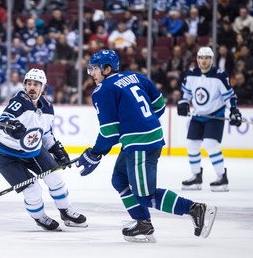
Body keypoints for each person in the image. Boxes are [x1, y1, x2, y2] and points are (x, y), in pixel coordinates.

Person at [75, 49, 216, 243]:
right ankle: (143, 223)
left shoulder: (103, 90)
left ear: (107, 69)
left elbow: (110, 132)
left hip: (140, 144)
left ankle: (195, 209)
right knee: (120, 179)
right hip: (142, 139)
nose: (91, 73)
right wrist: (140, 123)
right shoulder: (135, 77)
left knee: (145, 196)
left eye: (94, 69)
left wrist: (95, 153)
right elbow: (159, 106)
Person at [0, 68, 87, 231]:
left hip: (32, 149)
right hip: (5, 153)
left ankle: (65, 210)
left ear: (43, 87)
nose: (32, 87)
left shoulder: (47, 108)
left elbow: (46, 133)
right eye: (29, 84)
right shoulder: (19, 102)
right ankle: (40, 217)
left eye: (36, 84)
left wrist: (57, 149)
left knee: (55, 178)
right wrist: (11, 127)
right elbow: (5, 120)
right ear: (24, 86)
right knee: (33, 189)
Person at [177, 47, 242, 192]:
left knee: (210, 145)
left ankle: (221, 176)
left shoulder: (219, 76)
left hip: (215, 115)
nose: (203, 60)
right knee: (191, 144)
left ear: (211, 60)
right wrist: (183, 103)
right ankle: (196, 175)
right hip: (198, 116)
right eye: (200, 57)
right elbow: (186, 93)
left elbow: (229, 96)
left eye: (206, 58)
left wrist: (234, 111)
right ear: (197, 59)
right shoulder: (191, 74)